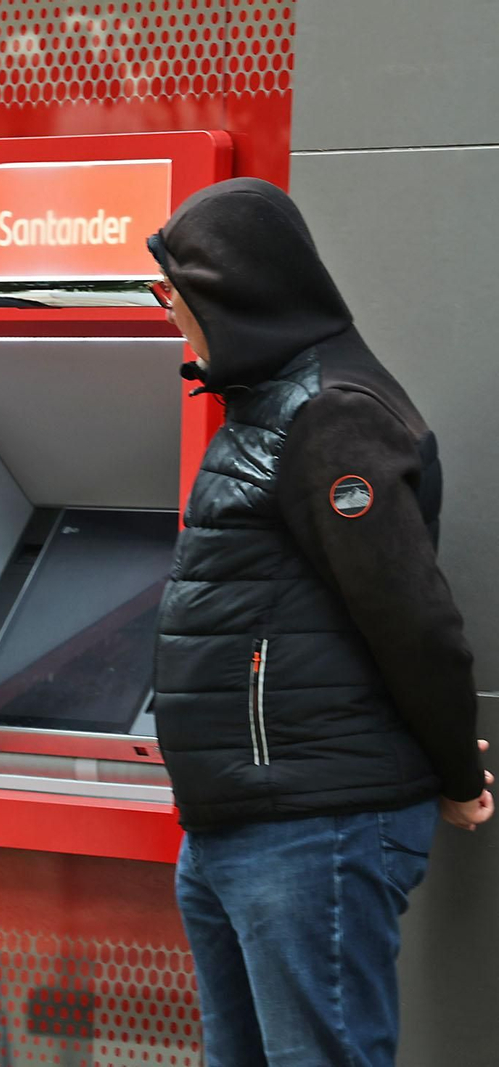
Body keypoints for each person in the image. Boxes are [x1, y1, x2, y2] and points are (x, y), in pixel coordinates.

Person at [147, 177, 493, 1066]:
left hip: (314, 825)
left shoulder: (332, 414)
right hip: (242, 820)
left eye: (173, 294)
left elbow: (412, 617)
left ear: (231, 293)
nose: (171, 316)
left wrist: (456, 770)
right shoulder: (268, 404)